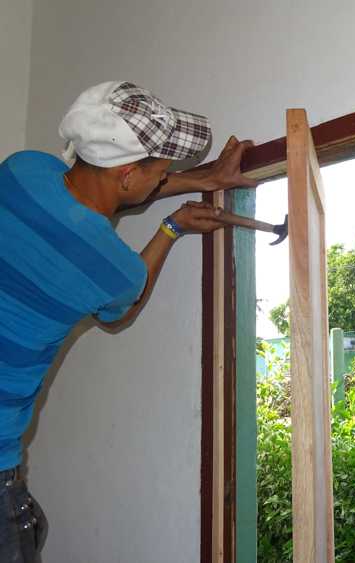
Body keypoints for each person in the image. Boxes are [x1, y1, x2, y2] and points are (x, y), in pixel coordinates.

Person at [0, 80, 254, 561]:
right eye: (162, 169)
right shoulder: (112, 269)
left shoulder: (22, 170)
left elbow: (103, 192)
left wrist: (206, 180)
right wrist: (172, 227)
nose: (166, 176)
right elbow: (126, 307)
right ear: (128, 175)